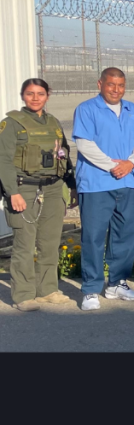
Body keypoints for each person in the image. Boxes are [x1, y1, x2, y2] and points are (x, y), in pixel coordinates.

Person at [72, 67, 134, 311]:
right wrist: (112, 166)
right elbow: (84, 144)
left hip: (127, 181)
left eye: (121, 85)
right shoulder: (86, 109)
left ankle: (117, 283)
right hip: (97, 183)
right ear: (100, 84)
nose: (116, 90)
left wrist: (131, 163)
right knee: (93, 236)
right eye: (111, 84)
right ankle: (90, 289)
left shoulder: (133, 110)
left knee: (126, 235)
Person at [0, 79, 77, 311]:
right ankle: (23, 295)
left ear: (47, 95)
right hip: (24, 188)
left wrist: (72, 185)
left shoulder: (53, 122)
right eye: (30, 93)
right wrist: (12, 192)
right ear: (23, 96)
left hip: (53, 188)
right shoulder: (11, 124)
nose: (35, 98)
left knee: (50, 242)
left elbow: (64, 154)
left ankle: (47, 290)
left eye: (40, 93)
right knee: (25, 244)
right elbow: (3, 161)